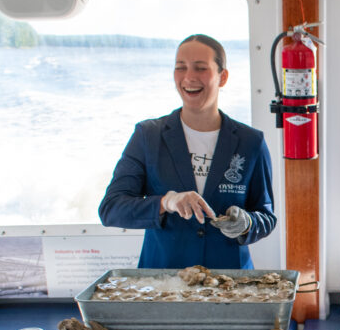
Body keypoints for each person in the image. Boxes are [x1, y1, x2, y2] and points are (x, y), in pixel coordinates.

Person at [99, 34, 276, 269]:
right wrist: (166, 202)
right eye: (180, 67)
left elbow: (266, 216)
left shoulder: (250, 141)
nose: (189, 77)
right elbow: (111, 209)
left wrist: (247, 223)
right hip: (164, 279)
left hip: (229, 280)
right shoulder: (148, 136)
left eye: (200, 68)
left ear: (223, 77)